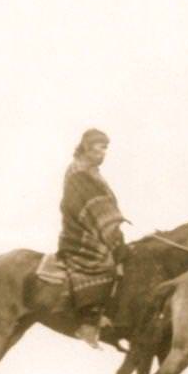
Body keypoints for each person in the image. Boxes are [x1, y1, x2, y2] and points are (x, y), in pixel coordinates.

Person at [58, 128, 129, 348]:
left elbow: (102, 206)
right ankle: (89, 320)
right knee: (105, 262)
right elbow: (92, 207)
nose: (104, 153)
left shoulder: (92, 172)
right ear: (87, 147)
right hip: (81, 233)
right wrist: (111, 232)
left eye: (106, 148)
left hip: (95, 227)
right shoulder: (79, 172)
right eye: (100, 147)